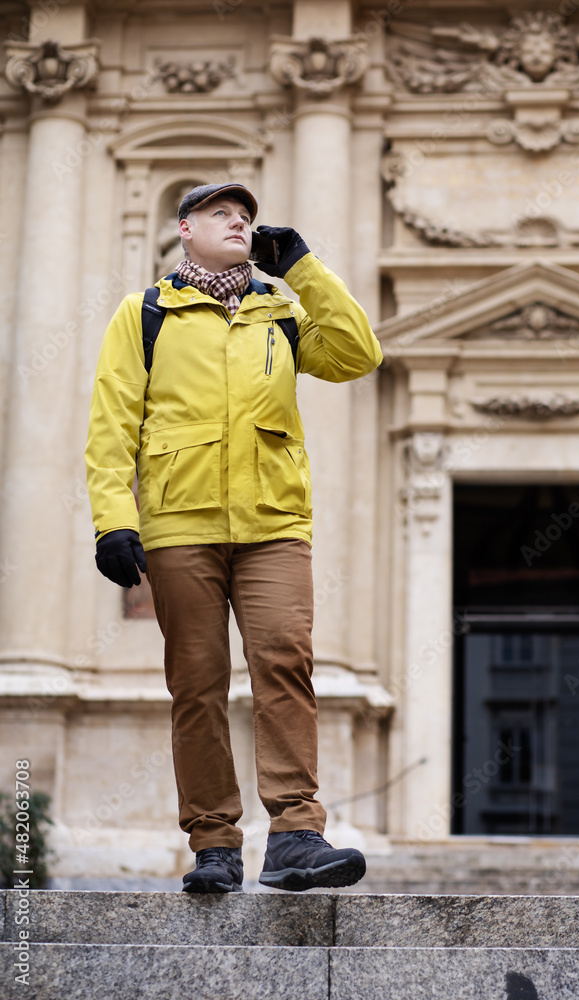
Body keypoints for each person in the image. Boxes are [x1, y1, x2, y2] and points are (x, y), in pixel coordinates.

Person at [85, 182, 383, 893]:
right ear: (184, 229)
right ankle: (215, 843)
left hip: (273, 524)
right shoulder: (147, 313)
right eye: (221, 213)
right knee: (196, 683)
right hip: (179, 524)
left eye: (245, 215)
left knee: (285, 663)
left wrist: (303, 267)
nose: (238, 222)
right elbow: (111, 423)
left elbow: (358, 353)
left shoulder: (279, 312)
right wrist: (113, 521)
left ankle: (296, 836)